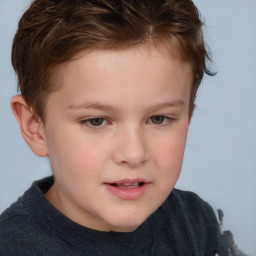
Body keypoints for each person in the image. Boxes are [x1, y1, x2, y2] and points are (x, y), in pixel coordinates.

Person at [0, 0, 247, 255]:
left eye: (159, 119)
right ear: (35, 127)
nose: (133, 154)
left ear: (187, 117)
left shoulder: (197, 223)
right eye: (96, 121)